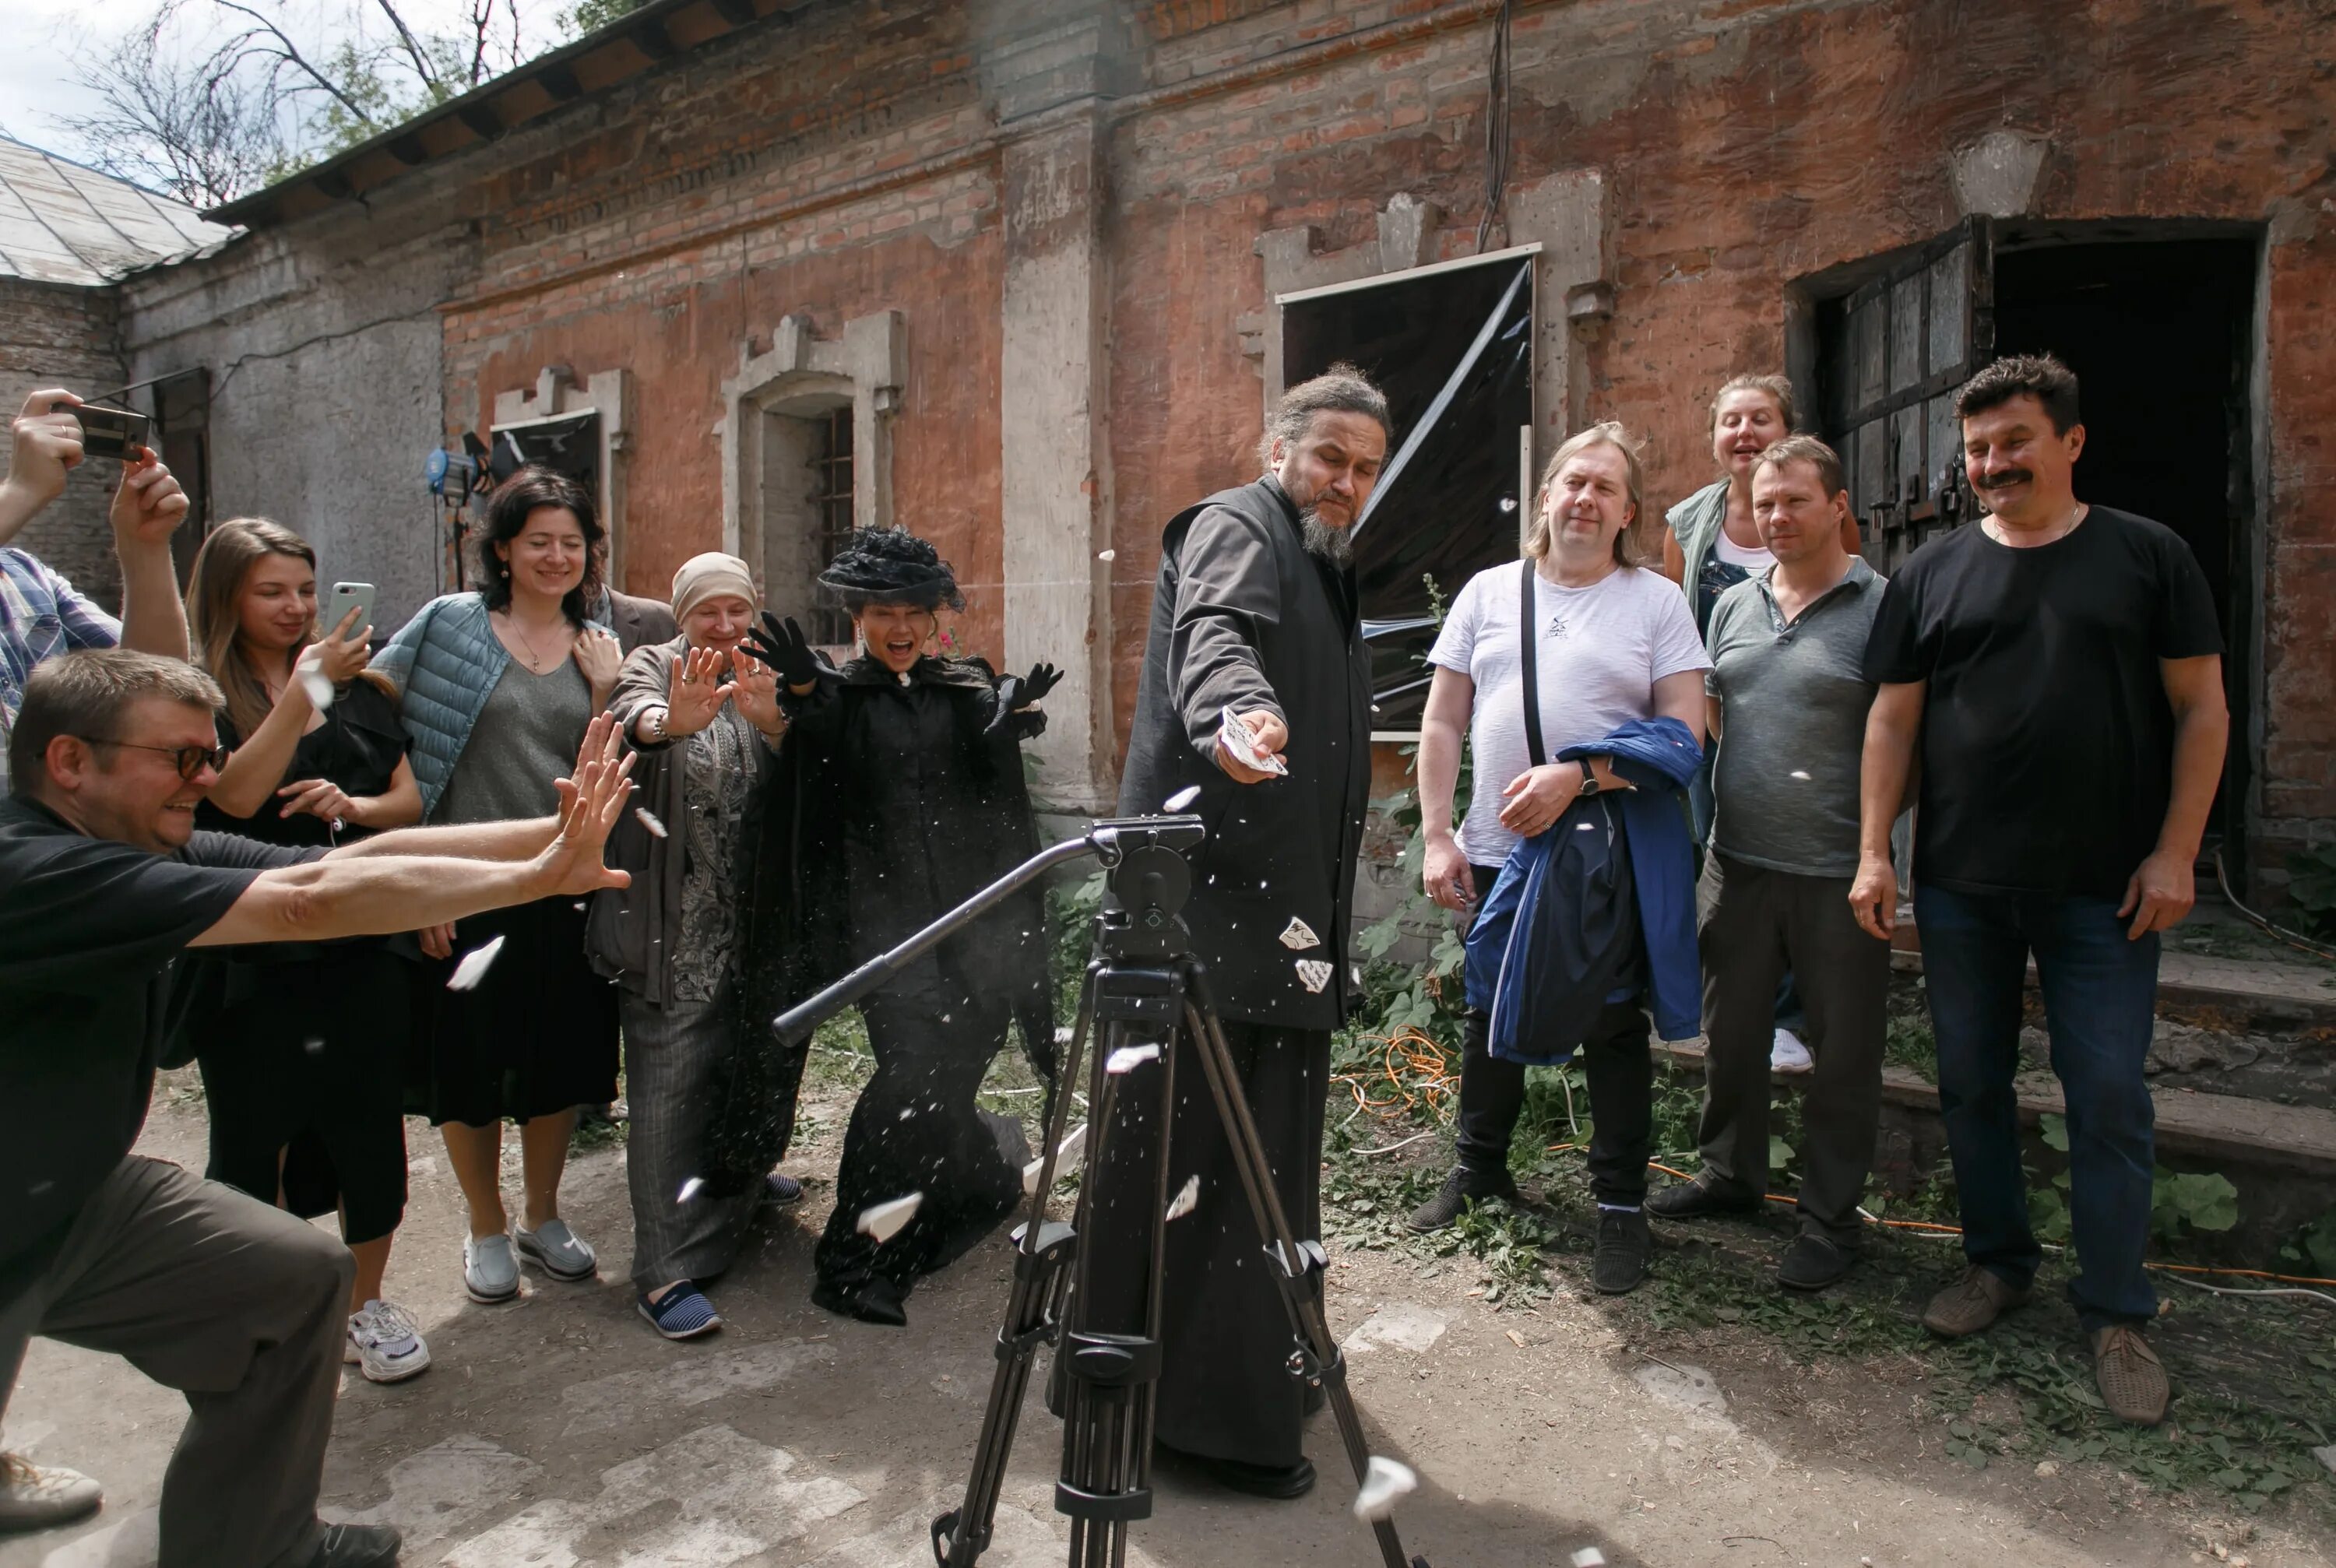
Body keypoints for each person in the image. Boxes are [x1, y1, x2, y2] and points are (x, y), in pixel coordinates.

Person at [0, 649, 635, 1567]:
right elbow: (304, 902)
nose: (210, 778)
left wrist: (559, 834)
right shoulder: (34, 870)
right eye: (182, 759)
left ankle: (250, 1539)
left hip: (76, 1197)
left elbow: (360, 855)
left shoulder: (131, 840)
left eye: (210, 753)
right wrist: (536, 879)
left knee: (296, 1280)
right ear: (69, 762)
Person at [1852, 353, 2227, 1426]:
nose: (1990, 463)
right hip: (1964, 882)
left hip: (2107, 891)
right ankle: (1998, 1263)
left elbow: (2203, 709)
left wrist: (2177, 851)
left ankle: (2115, 1311)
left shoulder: (2147, 557)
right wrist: (1877, 849)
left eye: (2013, 440)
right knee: (1971, 1084)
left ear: (2070, 440)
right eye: (1975, 448)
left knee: (2107, 1094)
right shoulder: (1930, 572)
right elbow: (1893, 720)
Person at [1101, 365, 1385, 1500]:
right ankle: (1194, 1419)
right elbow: (1217, 639)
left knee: (1258, 1165)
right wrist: (1233, 711)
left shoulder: (1323, 559)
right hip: (1203, 927)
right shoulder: (1236, 523)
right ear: (1280, 449)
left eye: (1365, 468)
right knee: (1196, 1165)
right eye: (1330, 459)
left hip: (1273, 924)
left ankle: (1242, 1376)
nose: (1348, 483)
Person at [1408, 423, 1709, 1300]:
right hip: (1499, 848)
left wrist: (1579, 776)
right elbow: (1441, 722)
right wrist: (1437, 833)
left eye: (1604, 488)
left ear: (1627, 511)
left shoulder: (1654, 602)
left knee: (1613, 1027)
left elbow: (1685, 733)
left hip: (1601, 853)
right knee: (1489, 1005)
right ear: (1545, 495)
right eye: (1572, 482)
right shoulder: (1489, 592)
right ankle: (1480, 1169)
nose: (1584, 498)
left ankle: (1620, 1204)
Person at [743, 529, 1057, 1329]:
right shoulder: (840, 700)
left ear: (935, 617)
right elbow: (814, 777)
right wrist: (809, 700)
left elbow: (993, 783)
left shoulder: (962, 687)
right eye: (883, 610)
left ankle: (960, 1183)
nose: (901, 625)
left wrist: (1005, 716)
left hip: (976, 927)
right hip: (886, 935)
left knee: (956, 1072)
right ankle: (853, 1261)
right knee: (911, 1081)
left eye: (915, 610)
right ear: (858, 616)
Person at [181, 519, 432, 1383]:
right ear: (226, 598)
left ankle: (364, 1305)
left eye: (302, 589)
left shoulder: (369, 688)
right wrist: (301, 693)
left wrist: (355, 810)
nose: (293, 608)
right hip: (252, 948)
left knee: (368, 1127)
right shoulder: (198, 693)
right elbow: (234, 796)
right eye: (270, 591)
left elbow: (407, 798)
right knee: (255, 1138)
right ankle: (265, 1306)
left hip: (358, 937)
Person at [375, 466, 626, 1304]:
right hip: (469, 889)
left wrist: (604, 690)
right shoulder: (451, 624)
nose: (558, 556)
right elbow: (372, 709)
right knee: (470, 1063)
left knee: (559, 1059)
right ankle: (485, 1225)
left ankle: (542, 1215)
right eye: (539, 541)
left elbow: (619, 761)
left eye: (574, 542)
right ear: (505, 549)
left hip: (568, 883)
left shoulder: (601, 639)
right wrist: (417, 877)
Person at [1647, 438, 1891, 1292]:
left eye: (1796, 500)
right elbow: (1714, 714)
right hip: (1739, 862)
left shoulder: (1879, 605)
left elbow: (1905, 739)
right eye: (1765, 503)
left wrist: (1879, 853)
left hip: (1837, 871)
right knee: (1734, 1037)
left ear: (1836, 505)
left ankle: (1829, 1221)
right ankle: (1730, 1175)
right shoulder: (1733, 606)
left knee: (1844, 1052)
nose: (1779, 516)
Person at [588, 551, 800, 1341]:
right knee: (670, 1084)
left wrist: (774, 720)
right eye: (708, 610)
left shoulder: (764, 666)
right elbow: (630, 714)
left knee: (752, 1060)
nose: (724, 624)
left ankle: (736, 1189)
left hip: (757, 921)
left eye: (736, 609)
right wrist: (670, 723)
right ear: (681, 613)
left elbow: (802, 759)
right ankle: (662, 1269)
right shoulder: (656, 662)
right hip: (674, 923)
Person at [1661, 374, 1858, 1077]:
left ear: (1788, 432)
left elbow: (1846, 586)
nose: (1745, 433)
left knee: (1799, 872)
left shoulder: (1822, 514)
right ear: (1714, 437)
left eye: (1760, 419)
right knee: (1719, 863)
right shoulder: (1689, 520)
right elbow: (1678, 626)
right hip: (1722, 716)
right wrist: (1704, 725)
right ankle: (1728, 1008)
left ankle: (1790, 1016)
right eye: (1731, 421)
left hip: (1804, 723)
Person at [0, 388, 192, 796]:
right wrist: (21, 490)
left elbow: (159, 684)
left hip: (55, 846)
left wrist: (144, 547)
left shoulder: (26, 575)